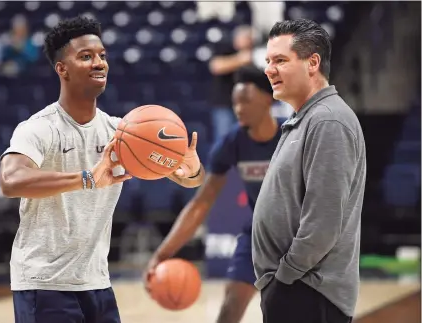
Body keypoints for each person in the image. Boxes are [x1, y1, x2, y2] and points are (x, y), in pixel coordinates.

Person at [0, 16, 205, 323]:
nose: (99, 63)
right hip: (44, 284)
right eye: (86, 57)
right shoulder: (39, 128)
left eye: (102, 56)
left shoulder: (121, 132)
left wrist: (191, 168)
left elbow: (190, 181)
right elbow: (10, 180)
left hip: (97, 282)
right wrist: (87, 179)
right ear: (62, 69)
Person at [144, 65, 285, 323]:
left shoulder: (293, 136)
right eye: (235, 103)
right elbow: (201, 204)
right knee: (230, 306)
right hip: (259, 234)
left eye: (246, 100)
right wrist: (162, 254)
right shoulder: (232, 143)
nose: (239, 108)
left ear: (268, 98)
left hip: (299, 235)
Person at [253, 19, 366, 323]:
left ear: (312, 62)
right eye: (267, 61)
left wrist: (285, 277)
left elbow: (323, 221)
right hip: (296, 290)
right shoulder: (307, 118)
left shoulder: (328, 121)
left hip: (308, 293)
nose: (268, 69)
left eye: (280, 60)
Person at [208, 25, 255, 141]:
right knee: (224, 139)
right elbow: (216, 66)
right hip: (225, 104)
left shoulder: (254, 55)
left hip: (247, 106)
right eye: (246, 38)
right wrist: (240, 60)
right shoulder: (225, 49)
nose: (249, 41)